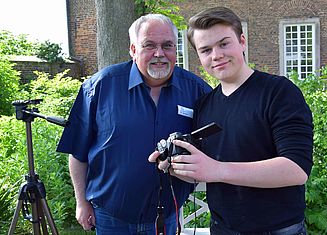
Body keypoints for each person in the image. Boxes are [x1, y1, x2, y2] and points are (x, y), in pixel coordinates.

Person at [149, 7, 313, 234]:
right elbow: (206, 167)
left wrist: (218, 170)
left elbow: (296, 169)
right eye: (206, 50)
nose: (216, 55)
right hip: (222, 228)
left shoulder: (279, 92)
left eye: (224, 44)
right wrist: (176, 166)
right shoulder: (204, 105)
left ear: (242, 41)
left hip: (277, 229)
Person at [56, 13, 212, 234]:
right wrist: (81, 201)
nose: (159, 54)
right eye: (149, 45)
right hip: (110, 218)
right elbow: (77, 152)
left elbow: (215, 148)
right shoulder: (99, 87)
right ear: (132, 49)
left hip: (166, 217)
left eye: (167, 45)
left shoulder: (197, 91)